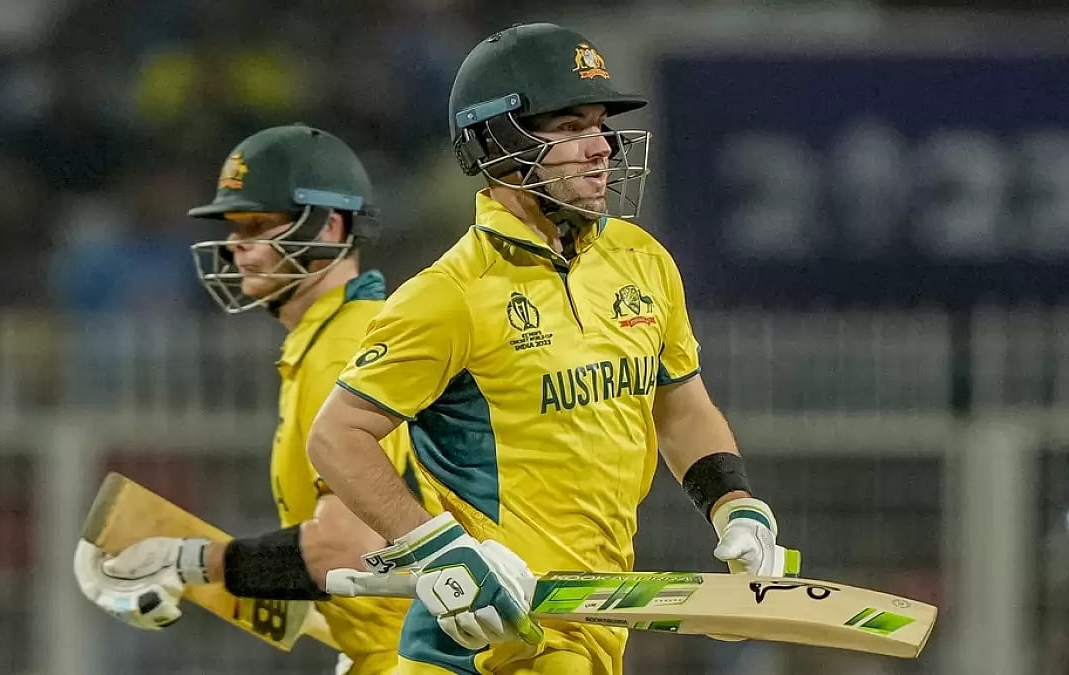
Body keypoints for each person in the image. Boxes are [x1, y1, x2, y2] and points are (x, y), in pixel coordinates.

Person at [306, 23, 799, 674]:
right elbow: (337, 436)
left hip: (589, 625)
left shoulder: (642, 260)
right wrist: (440, 550)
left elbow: (678, 404)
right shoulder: (451, 294)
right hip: (485, 638)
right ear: (496, 140)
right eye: (569, 127)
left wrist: (735, 506)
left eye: (599, 124)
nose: (600, 148)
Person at [73, 123, 437, 675]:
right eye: (235, 225)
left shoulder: (344, 346)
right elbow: (369, 571)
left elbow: (348, 550)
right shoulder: (330, 339)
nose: (236, 244)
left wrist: (191, 560)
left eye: (259, 224)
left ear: (330, 226)